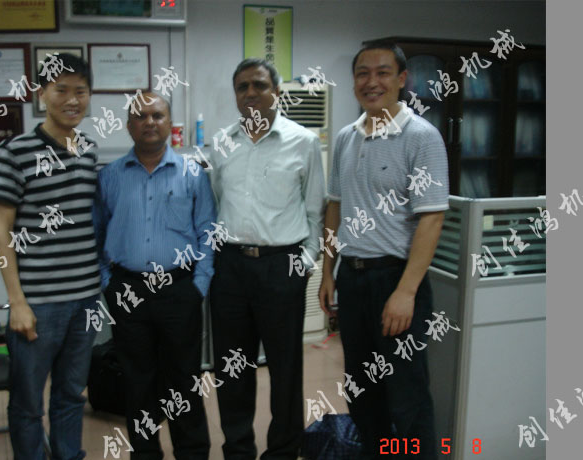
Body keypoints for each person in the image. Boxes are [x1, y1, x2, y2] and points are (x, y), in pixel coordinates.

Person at [318, 40, 448, 460]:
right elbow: (335, 206)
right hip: (353, 279)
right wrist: (328, 272)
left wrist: (406, 292)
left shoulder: (421, 137)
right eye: (362, 73)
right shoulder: (346, 137)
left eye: (382, 72)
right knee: (362, 389)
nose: (371, 82)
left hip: (397, 279)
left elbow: (431, 218)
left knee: (406, 395)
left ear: (402, 79)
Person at [208, 58, 326, 460]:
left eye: (259, 85)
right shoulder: (222, 143)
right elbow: (216, 200)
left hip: (282, 265)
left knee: (285, 367)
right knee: (232, 366)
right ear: (235, 95)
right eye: (242, 87)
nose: (251, 93)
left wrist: (305, 262)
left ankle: (283, 451)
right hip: (230, 267)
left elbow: (315, 210)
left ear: (276, 91)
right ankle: (238, 449)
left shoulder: (303, 142)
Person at [0, 53, 100, 460]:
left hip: (86, 298)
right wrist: (17, 302)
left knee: (71, 393)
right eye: (61, 90)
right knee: (27, 401)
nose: (72, 100)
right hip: (38, 302)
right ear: (41, 94)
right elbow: (2, 230)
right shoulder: (15, 152)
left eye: (80, 91)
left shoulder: (89, 150)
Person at [94, 92, 215, 460]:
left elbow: (208, 232)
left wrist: (199, 286)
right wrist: (108, 283)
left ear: (169, 123)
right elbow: (97, 235)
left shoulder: (193, 174)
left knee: (183, 379)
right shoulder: (110, 177)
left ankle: (192, 452)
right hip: (128, 291)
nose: (149, 122)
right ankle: (145, 453)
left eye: (157, 115)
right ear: (129, 125)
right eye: (140, 116)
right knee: (137, 381)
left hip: (179, 289)